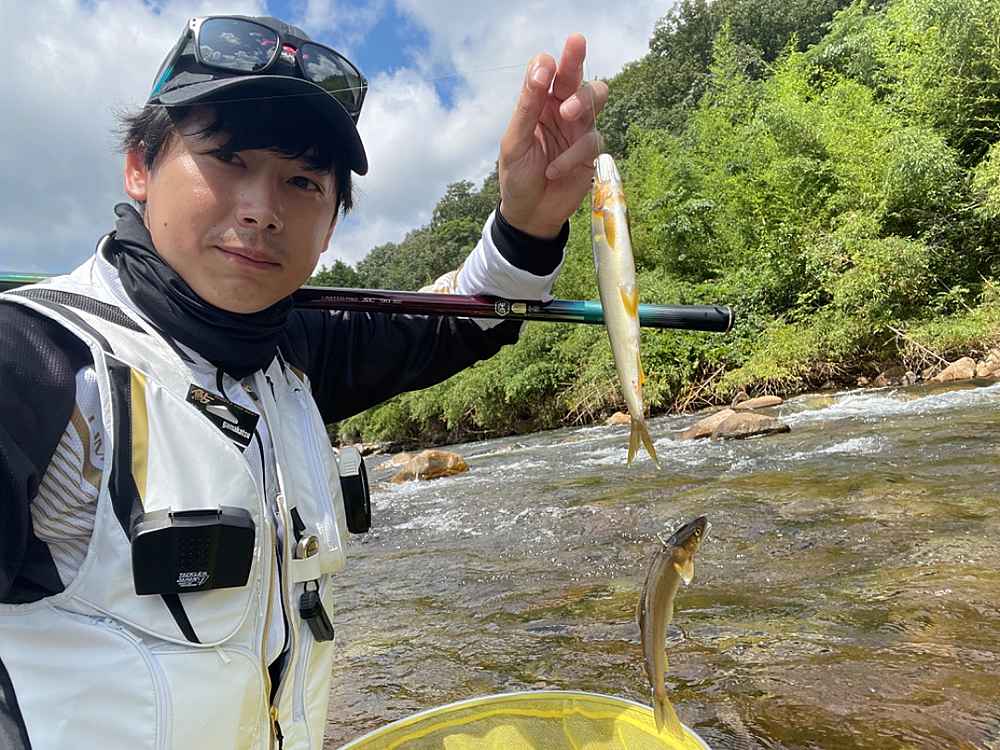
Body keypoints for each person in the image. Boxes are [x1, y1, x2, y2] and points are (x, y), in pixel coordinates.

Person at [0, 13, 607, 750]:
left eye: (301, 181)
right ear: (139, 167)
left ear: (331, 225)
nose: (261, 210)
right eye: (227, 158)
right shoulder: (32, 361)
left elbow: (464, 319)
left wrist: (527, 221)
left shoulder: (294, 354)